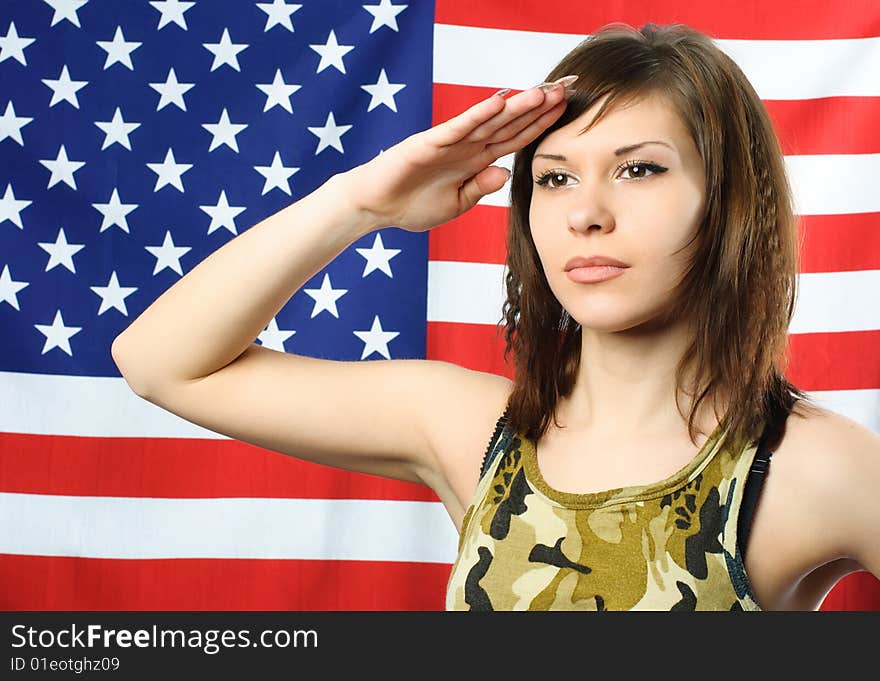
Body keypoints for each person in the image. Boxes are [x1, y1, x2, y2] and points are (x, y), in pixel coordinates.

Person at [111, 22, 880, 611]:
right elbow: (159, 361)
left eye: (639, 168)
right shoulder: (470, 430)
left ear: (730, 200)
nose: (587, 213)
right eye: (554, 178)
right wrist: (359, 203)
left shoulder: (815, 466)